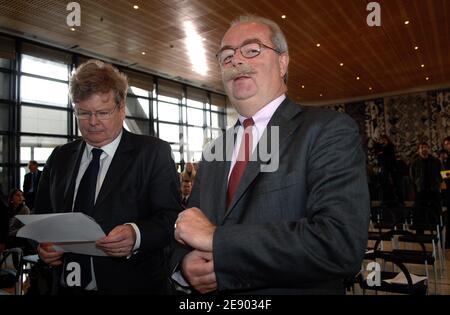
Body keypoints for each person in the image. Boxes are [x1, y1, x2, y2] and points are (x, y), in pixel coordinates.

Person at [171, 15, 370, 294]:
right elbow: (190, 225)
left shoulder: (327, 130)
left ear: (283, 61)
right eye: (226, 56)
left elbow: (339, 244)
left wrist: (218, 240)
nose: (237, 60)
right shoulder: (215, 149)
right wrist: (183, 264)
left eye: (252, 50)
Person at [34, 60, 180, 295]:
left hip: (131, 286)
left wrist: (136, 234)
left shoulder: (153, 153)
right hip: (63, 286)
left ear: (121, 109)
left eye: (102, 112)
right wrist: (43, 246)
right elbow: (41, 218)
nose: (93, 122)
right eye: (83, 113)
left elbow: (170, 217)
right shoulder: (60, 157)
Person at [410, 142, 442, 212]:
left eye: (425, 147)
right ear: (418, 150)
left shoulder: (436, 161)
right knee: (421, 209)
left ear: (428, 149)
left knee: (435, 208)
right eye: (421, 147)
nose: (424, 149)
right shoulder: (415, 162)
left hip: (433, 188)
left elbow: (441, 173)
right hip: (421, 188)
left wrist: (438, 182)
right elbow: (412, 176)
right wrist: (417, 183)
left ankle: (436, 222)